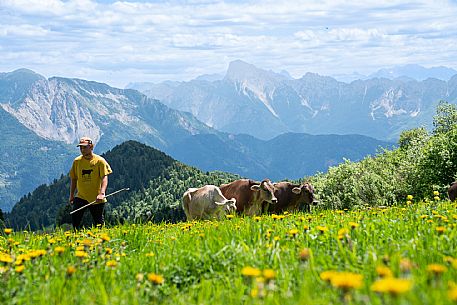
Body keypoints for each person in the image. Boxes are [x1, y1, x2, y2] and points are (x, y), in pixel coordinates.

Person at [69, 136, 112, 229]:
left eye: (84, 147)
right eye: (80, 147)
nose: (82, 150)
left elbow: (104, 177)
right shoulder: (77, 161)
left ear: (91, 147)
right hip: (81, 196)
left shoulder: (100, 161)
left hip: (97, 197)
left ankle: (101, 240)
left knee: (98, 222)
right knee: (75, 218)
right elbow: (73, 178)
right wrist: (72, 195)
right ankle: (76, 238)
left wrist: (102, 193)